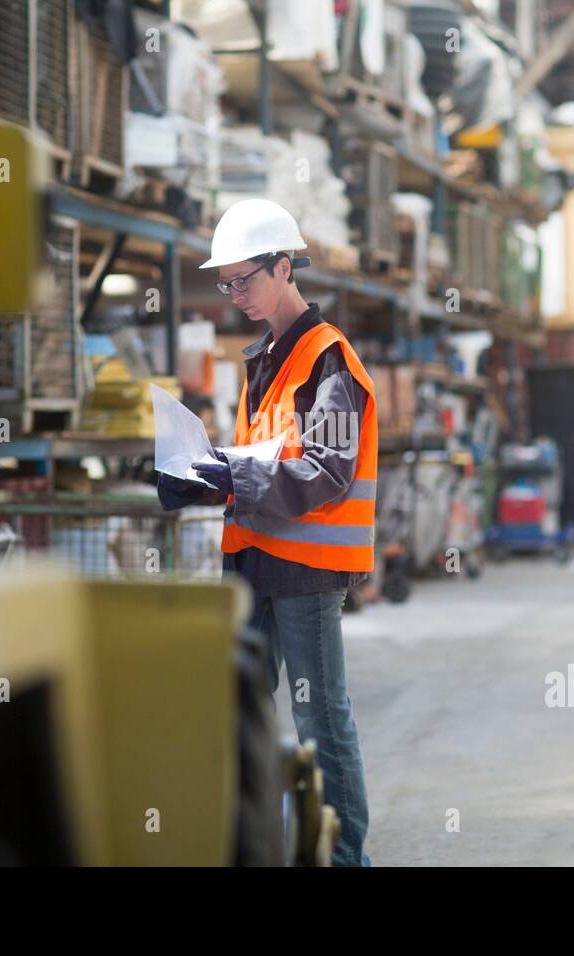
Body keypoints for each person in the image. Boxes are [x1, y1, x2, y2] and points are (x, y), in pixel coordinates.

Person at [157, 199, 377, 867]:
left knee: (320, 721)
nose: (235, 295)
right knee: (243, 713)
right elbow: (268, 455)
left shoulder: (327, 359)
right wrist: (208, 471)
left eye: (244, 280)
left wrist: (233, 477)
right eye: (225, 284)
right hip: (255, 562)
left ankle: (345, 860)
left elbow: (325, 469)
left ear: (284, 268)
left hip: (305, 573)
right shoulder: (270, 358)